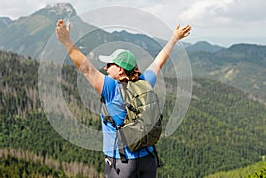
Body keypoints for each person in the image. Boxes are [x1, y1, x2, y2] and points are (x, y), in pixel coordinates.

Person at [56, 19, 191, 178]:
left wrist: (66, 42)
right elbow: (159, 62)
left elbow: (85, 67)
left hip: (123, 164)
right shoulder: (144, 82)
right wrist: (174, 38)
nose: (105, 68)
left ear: (120, 70)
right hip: (148, 160)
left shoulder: (111, 88)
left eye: (109, 64)